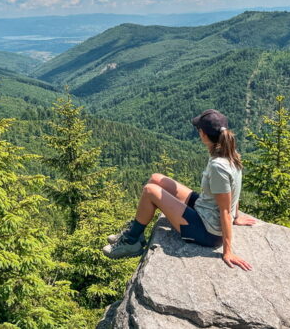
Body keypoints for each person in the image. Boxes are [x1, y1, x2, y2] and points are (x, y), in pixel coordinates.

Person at [103, 109, 255, 270]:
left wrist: (228, 251)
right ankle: (136, 230)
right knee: (156, 178)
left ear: (203, 134)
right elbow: (234, 189)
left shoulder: (219, 166)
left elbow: (224, 209)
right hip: (206, 210)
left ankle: (131, 241)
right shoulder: (228, 152)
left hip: (208, 232)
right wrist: (236, 216)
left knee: (150, 191)